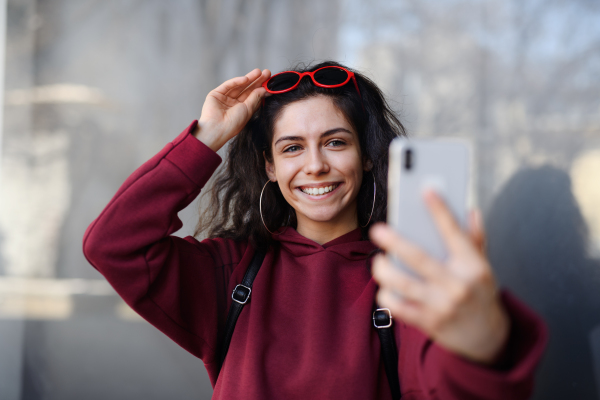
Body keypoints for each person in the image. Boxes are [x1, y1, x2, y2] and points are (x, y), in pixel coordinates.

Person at [83, 61, 547, 399]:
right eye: (291, 149)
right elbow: (114, 245)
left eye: (335, 142)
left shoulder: (407, 278)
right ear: (268, 166)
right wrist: (206, 137)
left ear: (367, 156)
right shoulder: (229, 273)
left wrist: (482, 345)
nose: (315, 165)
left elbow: (449, 389)